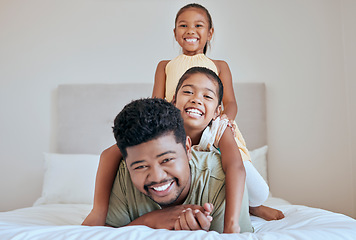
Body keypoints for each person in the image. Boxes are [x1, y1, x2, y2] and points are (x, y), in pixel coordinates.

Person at [151, 3, 284, 223]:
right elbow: (156, 103)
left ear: (210, 33)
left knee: (257, 190)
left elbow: (230, 103)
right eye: (183, 25)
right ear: (175, 33)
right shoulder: (165, 66)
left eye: (198, 25)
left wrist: (223, 121)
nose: (190, 30)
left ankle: (252, 206)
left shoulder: (219, 65)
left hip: (214, 130)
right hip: (178, 132)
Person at [104, 98, 253, 233]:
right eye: (140, 167)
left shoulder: (221, 181)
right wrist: (152, 221)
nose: (157, 176)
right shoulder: (123, 174)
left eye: (167, 160)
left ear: (188, 148)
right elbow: (105, 233)